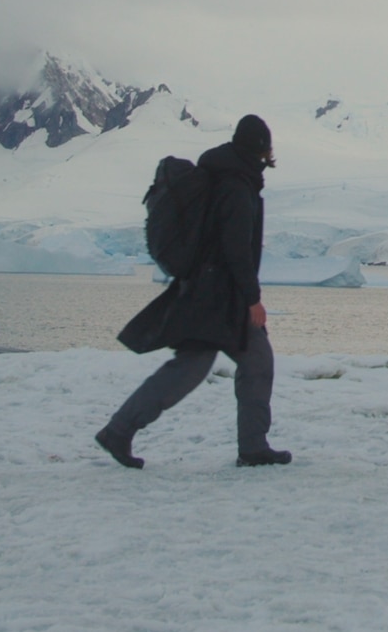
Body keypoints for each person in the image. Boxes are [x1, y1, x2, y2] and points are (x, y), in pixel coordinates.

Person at [97, 114, 292, 468]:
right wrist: (253, 299)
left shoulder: (228, 174)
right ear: (262, 146)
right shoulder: (236, 184)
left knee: (251, 360)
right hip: (217, 296)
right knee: (193, 368)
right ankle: (120, 430)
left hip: (212, 292)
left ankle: (253, 446)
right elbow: (236, 248)